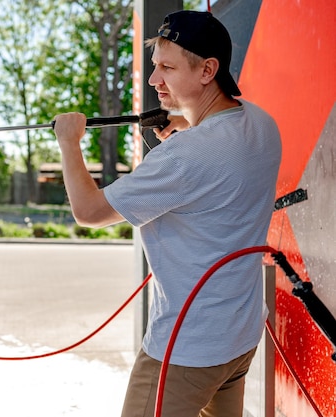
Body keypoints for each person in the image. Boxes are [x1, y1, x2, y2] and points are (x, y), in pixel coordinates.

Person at [52, 10, 282, 417]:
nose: (153, 79)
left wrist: (70, 143)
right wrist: (192, 121)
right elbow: (221, 148)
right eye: (154, 65)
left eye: (167, 68)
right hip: (239, 338)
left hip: (185, 349)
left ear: (208, 70)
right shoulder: (263, 123)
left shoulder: (186, 155)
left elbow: (89, 211)